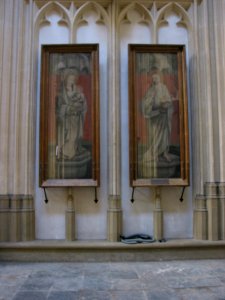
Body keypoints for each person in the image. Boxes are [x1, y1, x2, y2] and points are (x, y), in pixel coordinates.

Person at [142, 72, 173, 176]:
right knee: (155, 135)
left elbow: (169, 99)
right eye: (153, 78)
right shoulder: (151, 90)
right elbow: (146, 102)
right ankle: (154, 153)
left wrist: (165, 103)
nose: (155, 79)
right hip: (155, 115)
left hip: (163, 114)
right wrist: (151, 103)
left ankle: (164, 153)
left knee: (164, 134)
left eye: (156, 78)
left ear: (159, 78)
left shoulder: (164, 87)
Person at [56, 68, 87, 160]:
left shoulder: (79, 92)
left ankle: (72, 152)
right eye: (70, 79)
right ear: (66, 80)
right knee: (68, 137)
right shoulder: (62, 94)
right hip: (66, 120)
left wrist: (79, 106)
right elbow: (59, 108)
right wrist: (68, 108)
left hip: (76, 119)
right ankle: (66, 153)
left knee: (74, 136)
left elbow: (84, 106)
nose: (72, 81)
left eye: (73, 80)